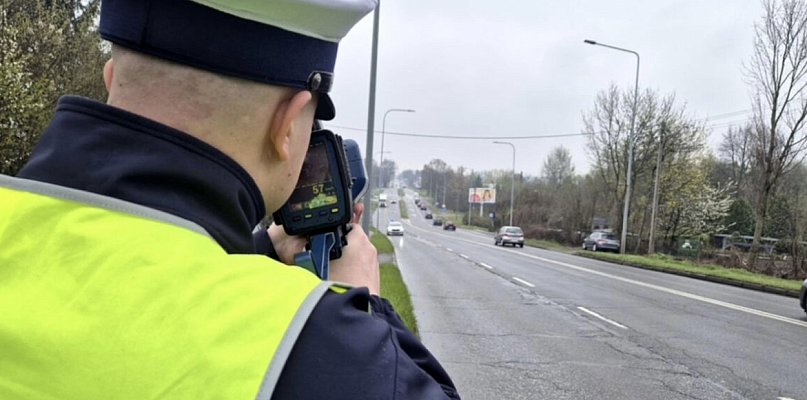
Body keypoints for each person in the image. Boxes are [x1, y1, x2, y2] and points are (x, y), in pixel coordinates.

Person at [0, 1, 460, 399]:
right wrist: (365, 307)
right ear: (288, 123)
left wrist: (260, 249)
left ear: (111, 78)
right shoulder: (321, 346)